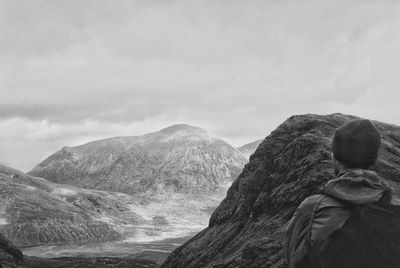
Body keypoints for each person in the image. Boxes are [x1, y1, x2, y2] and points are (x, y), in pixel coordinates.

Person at [285, 119, 400, 268]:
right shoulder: (396, 205)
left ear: (335, 158)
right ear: (375, 159)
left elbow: (295, 261)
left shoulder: (312, 210)